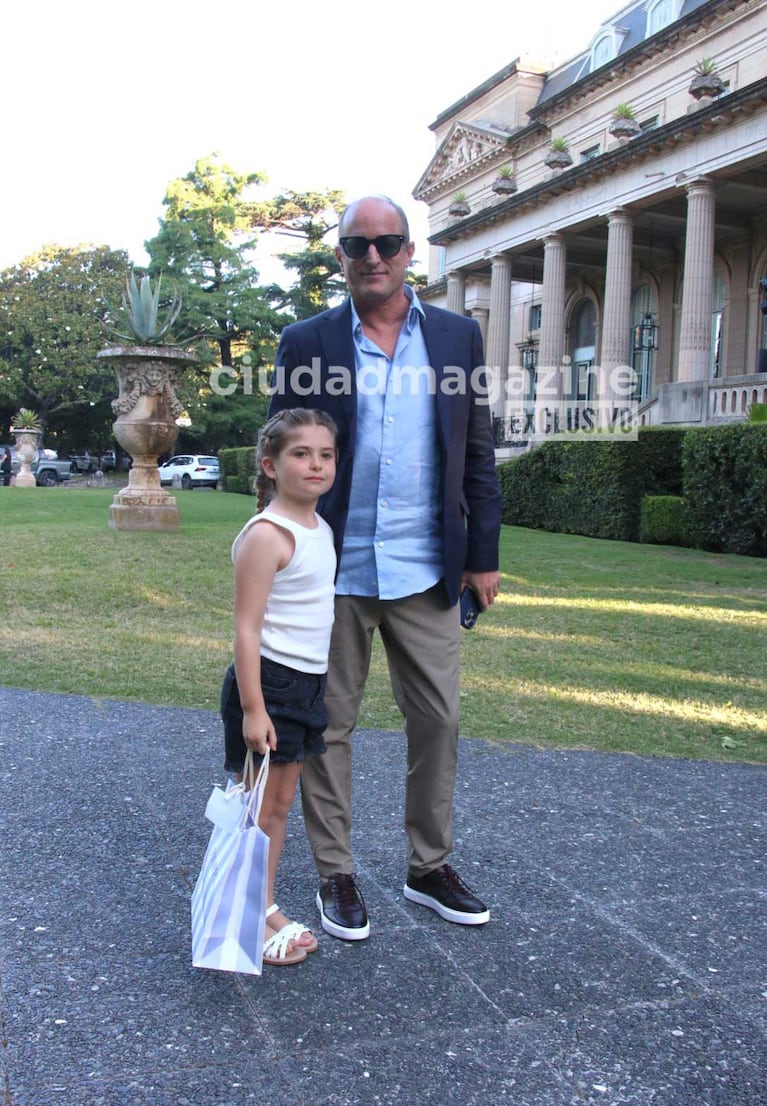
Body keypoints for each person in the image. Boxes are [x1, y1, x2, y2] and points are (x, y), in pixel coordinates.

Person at [268, 195, 502, 941]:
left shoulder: (459, 337)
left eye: (388, 242)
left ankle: (427, 866)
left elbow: (475, 452)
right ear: (340, 254)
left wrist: (483, 558)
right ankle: (335, 871)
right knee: (327, 724)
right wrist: (278, 549)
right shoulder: (307, 341)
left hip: (427, 563)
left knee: (439, 718)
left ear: (409, 253)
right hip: (330, 567)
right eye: (357, 244)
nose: (372, 256)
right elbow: (277, 452)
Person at [220, 408, 338, 966]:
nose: (315, 464)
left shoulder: (320, 527)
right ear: (269, 465)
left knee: (280, 805)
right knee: (256, 810)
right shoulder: (268, 535)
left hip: (306, 686)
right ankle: (245, 915)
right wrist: (252, 707)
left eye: (326, 454)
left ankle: (260, 903)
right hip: (269, 686)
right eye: (301, 454)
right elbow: (246, 627)